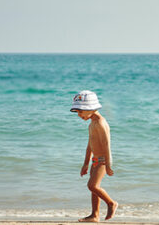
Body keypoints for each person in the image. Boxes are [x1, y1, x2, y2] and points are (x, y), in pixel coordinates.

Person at [70, 90, 118, 222]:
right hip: (95, 160)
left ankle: (111, 203)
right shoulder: (92, 124)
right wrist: (85, 163)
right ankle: (95, 215)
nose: (79, 115)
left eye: (80, 111)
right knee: (94, 190)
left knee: (92, 186)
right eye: (77, 112)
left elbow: (107, 145)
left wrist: (108, 165)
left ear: (90, 108)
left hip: (102, 161)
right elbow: (90, 145)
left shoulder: (101, 123)